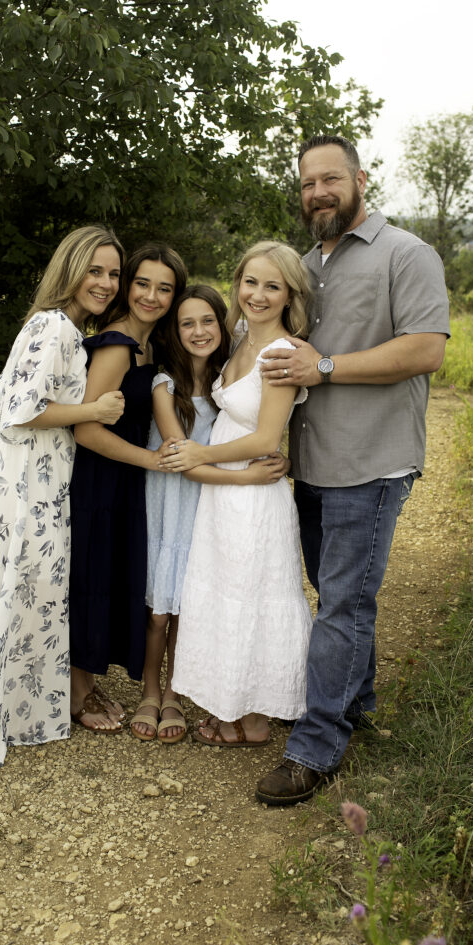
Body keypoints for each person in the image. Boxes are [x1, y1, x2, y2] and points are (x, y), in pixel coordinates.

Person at [255, 134, 450, 805]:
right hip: (310, 463)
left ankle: (315, 747)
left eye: (330, 179)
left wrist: (326, 367)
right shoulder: (305, 264)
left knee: (341, 602)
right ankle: (355, 702)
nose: (317, 194)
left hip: (370, 463)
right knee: (335, 594)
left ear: (360, 179)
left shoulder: (405, 254)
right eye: (307, 184)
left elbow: (425, 349)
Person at [0, 225, 126, 770]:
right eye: (95, 270)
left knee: (15, 589)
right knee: (12, 583)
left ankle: (3, 713)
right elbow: (19, 408)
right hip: (16, 477)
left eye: (113, 274)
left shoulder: (61, 326)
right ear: (70, 269)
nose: (106, 283)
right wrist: (94, 411)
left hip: (28, 472)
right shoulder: (55, 326)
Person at [161, 242, 314, 747]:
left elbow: (267, 439)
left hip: (252, 496)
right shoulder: (241, 338)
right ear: (238, 284)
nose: (259, 294)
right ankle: (231, 705)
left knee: (252, 596)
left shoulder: (283, 353)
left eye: (273, 286)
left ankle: (255, 716)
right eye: (251, 282)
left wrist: (201, 458)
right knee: (226, 595)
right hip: (223, 495)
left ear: (290, 293)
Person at [133, 285, 291, 743]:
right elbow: (185, 463)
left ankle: (177, 694)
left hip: (213, 510)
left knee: (191, 607)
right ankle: (150, 690)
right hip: (175, 501)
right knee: (159, 610)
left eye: (207, 322)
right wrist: (250, 478)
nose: (199, 331)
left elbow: (264, 424)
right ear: (174, 331)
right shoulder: (164, 386)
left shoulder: (229, 377)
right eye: (187, 323)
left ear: (223, 327)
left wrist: (282, 461)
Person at [68, 244, 186, 733]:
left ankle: (84, 681)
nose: (152, 296)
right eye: (143, 283)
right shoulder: (117, 344)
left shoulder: (150, 343)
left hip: (124, 476)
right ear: (128, 284)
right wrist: (152, 462)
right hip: (100, 474)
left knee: (109, 573)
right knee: (91, 573)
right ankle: (77, 693)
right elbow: (87, 429)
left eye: (165, 288)